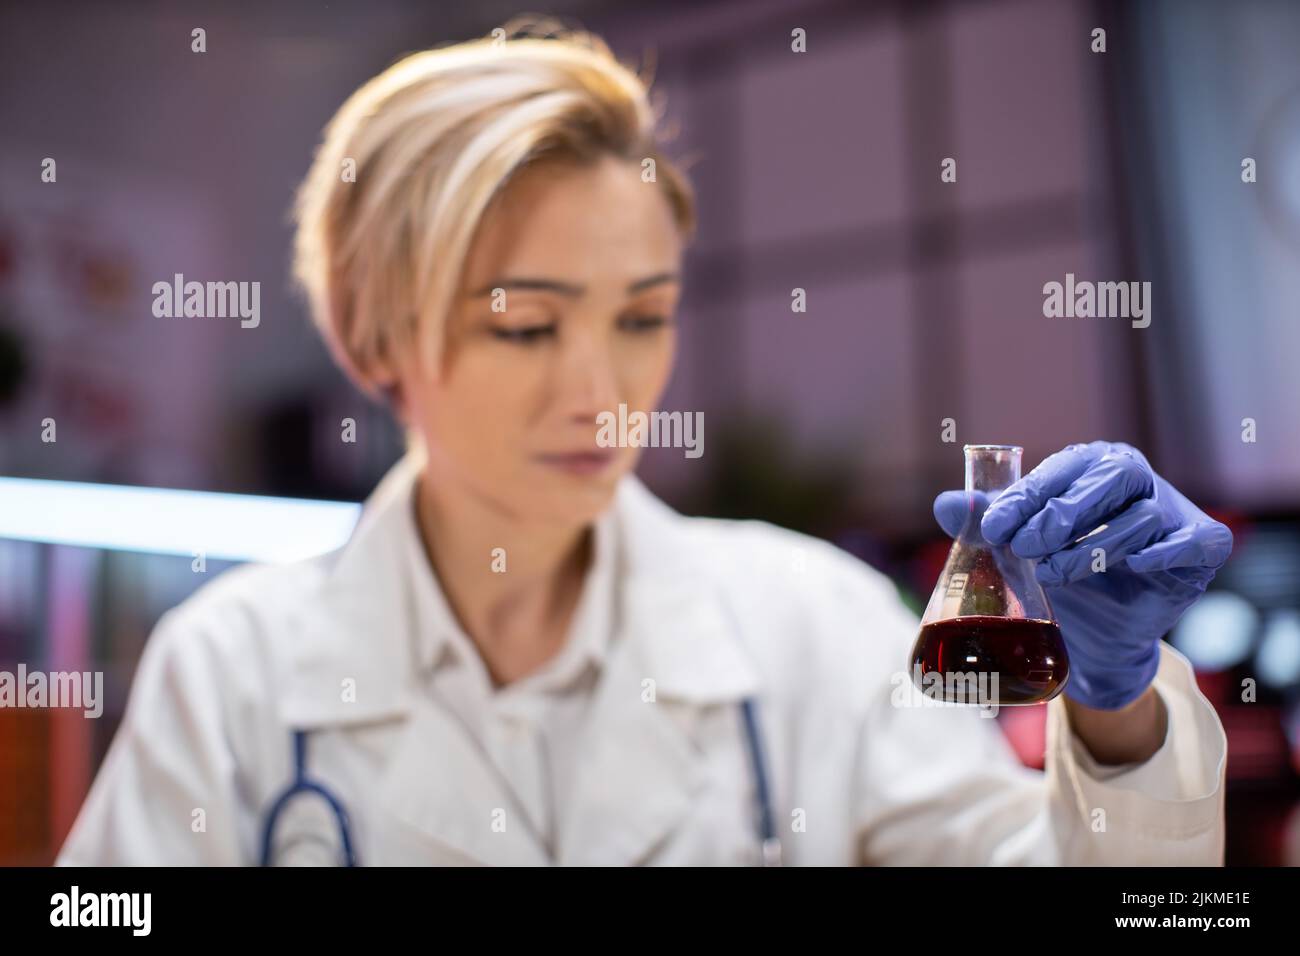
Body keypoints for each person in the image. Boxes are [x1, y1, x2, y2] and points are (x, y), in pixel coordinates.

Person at [57, 23, 1232, 866]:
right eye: (523, 322)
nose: (600, 388)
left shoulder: (810, 623)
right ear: (376, 340)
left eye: (641, 316)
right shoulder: (231, 672)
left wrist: (1118, 717)